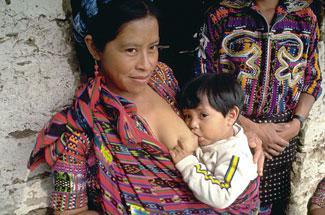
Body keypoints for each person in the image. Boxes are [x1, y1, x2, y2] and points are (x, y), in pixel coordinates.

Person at [27, 0, 264, 214]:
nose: (146, 64)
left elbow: (205, 115)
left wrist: (239, 136)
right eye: (131, 50)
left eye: (153, 47)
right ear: (94, 48)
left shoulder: (163, 79)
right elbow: (69, 213)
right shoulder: (80, 129)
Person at [197, 0, 322, 214]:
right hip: (230, 133)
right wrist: (246, 126)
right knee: (225, 199)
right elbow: (202, 78)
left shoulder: (304, 17)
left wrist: (297, 123)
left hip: (280, 140)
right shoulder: (221, 15)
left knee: (271, 206)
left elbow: (312, 79)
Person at [170, 73, 260, 214]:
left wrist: (187, 163)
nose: (192, 124)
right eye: (187, 116)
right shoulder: (214, 140)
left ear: (231, 116)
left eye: (203, 115)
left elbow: (221, 196)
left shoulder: (235, 155)